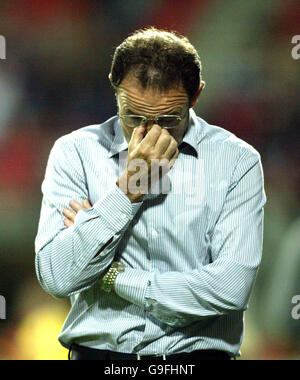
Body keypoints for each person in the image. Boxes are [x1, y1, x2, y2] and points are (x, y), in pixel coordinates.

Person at [35, 27, 267, 360]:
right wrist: (129, 187)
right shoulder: (74, 152)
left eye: (169, 118)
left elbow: (230, 289)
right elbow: (58, 277)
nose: (150, 133)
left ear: (196, 96)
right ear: (115, 92)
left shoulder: (237, 161)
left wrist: (114, 276)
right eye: (134, 117)